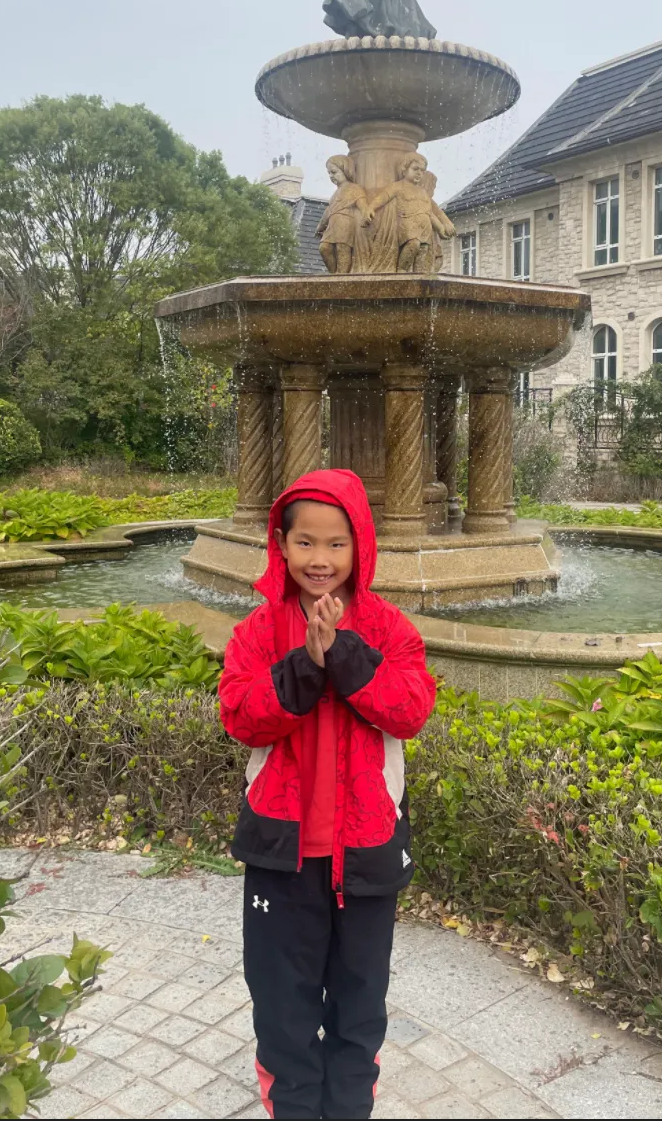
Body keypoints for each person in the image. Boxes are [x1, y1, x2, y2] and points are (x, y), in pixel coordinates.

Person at [219, 468, 436, 1120]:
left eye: (337, 543)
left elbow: (410, 709)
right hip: (281, 855)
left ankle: (347, 1109)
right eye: (305, 542)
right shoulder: (258, 632)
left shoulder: (390, 629)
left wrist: (342, 654)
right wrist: (304, 665)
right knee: (282, 1002)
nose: (321, 558)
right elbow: (241, 715)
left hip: (365, 853)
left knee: (359, 1001)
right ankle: (292, 1107)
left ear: (360, 546)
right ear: (281, 545)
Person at [316, 155, 370, 273]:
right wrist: (320, 226)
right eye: (329, 173)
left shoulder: (355, 188)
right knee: (324, 248)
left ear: (345, 170)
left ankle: (342, 275)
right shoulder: (336, 193)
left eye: (334, 172)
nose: (331, 176)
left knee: (342, 248)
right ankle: (335, 274)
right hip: (332, 225)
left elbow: (362, 204)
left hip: (346, 222)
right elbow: (328, 211)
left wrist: (366, 214)